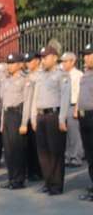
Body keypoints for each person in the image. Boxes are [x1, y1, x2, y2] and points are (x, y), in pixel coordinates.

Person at [30, 45, 71, 195]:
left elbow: (66, 97)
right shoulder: (40, 75)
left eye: (45, 57)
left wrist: (62, 119)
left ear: (54, 57)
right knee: (43, 152)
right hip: (41, 116)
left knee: (55, 151)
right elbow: (35, 97)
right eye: (41, 57)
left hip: (54, 116)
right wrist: (33, 116)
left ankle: (56, 184)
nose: (43, 60)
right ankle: (48, 181)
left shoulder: (62, 75)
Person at [0, 53, 31, 190]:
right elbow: (3, 102)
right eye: (8, 63)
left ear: (19, 65)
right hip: (7, 115)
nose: (9, 66)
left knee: (17, 149)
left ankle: (19, 179)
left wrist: (24, 123)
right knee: (8, 149)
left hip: (17, 114)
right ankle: (11, 177)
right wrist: (2, 122)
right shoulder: (6, 80)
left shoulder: (25, 80)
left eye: (12, 63)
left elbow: (28, 102)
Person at [75, 43, 93, 201]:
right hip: (84, 117)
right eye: (85, 54)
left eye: (89, 54)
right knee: (89, 154)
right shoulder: (86, 74)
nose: (85, 57)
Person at [60, 51, 85, 168]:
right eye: (62, 61)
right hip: (63, 106)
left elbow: (80, 93)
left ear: (73, 61)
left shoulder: (78, 75)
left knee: (74, 133)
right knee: (64, 133)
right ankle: (67, 156)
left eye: (65, 61)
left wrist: (76, 109)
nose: (63, 64)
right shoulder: (62, 75)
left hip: (73, 105)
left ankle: (76, 157)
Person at [23, 52, 44, 181]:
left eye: (30, 61)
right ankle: (30, 171)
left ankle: (39, 171)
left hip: (36, 113)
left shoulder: (41, 76)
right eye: (26, 61)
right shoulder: (27, 75)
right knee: (28, 145)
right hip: (26, 113)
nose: (27, 63)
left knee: (38, 145)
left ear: (37, 61)